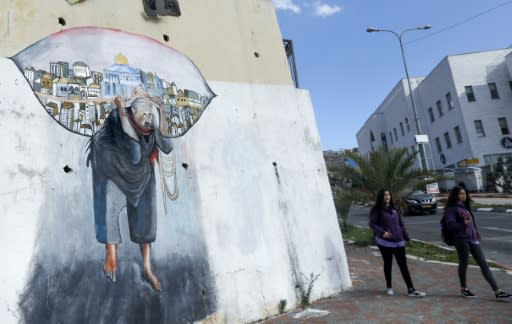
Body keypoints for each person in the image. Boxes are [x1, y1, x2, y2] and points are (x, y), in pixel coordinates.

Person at [87, 86, 172, 291]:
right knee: (109, 207)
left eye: (149, 114)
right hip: (114, 168)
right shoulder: (117, 118)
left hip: (140, 171)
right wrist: (123, 113)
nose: (147, 118)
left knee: (146, 216)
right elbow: (133, 153)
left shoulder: (150, 123)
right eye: (143, 114)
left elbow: (167, 147)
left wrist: (161, 112)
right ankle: (111, 254)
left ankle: (147, 267)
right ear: (132, 112)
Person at [444, 185, 511, 300]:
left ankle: (497, 291)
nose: (464, 195)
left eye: (464, 193)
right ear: (455, 195)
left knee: (484, 264)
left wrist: (475, 231)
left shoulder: (465, 207)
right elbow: (450, 225)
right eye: (461, 193)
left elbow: (471, 222)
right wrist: (463, 224)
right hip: (461, 240)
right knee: (464, 263)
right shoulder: (451, 209)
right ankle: (464, 289)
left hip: (472, 239)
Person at [369, 189, 426, 297]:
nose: (387, 196)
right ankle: (389, 287)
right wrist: (382, 232)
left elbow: (401, 225)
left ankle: (411, 289)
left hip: (399, 243)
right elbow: (372, 224)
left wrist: (407, 238)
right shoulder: (377, 210)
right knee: (388, 264)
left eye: (388, 194)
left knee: (403, 266)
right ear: (381, 197)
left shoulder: (394, 209)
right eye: (385, 195)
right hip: (385, 243)